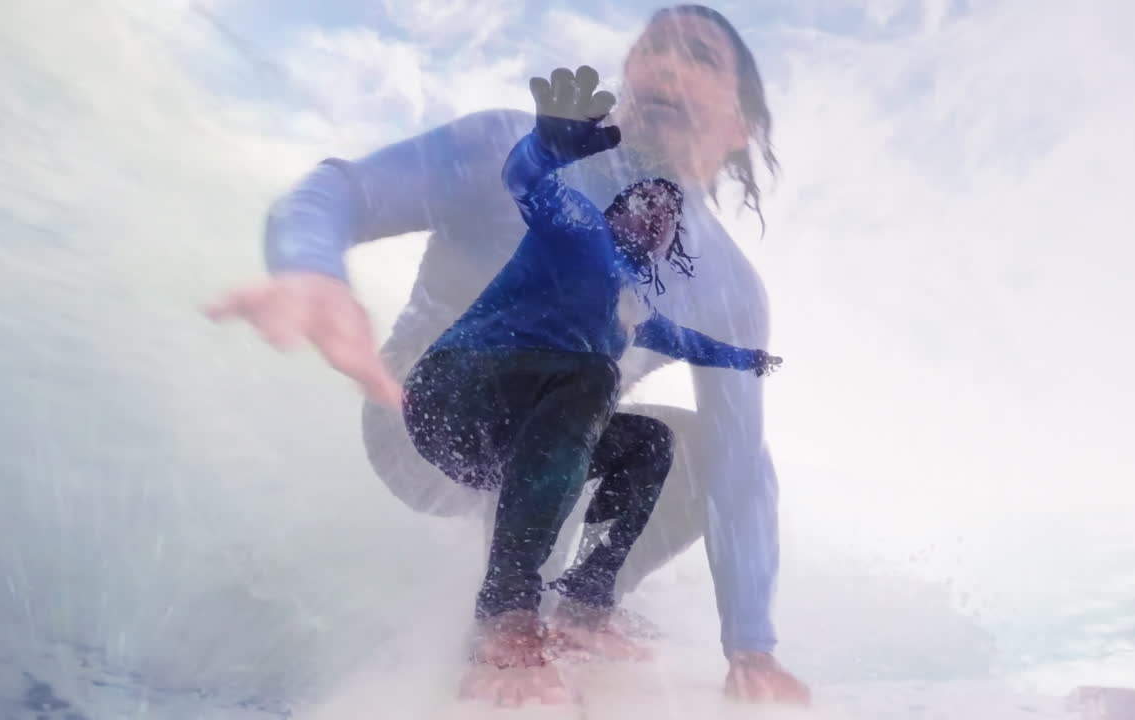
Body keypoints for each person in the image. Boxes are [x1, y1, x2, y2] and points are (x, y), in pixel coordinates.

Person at [207, 3, 810, 706]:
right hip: (420, 411)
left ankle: (585, 605)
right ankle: (506, 624)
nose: (666, 64)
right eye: (652, 48)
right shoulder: (513, 149)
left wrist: (751, 644)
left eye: (700, 56)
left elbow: (736, 476)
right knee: (580, 380)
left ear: (740, 126)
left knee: (699, 443)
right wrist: (312, 268)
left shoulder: (728, 285)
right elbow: (343, 189)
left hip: (552, 432)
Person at [403, 65, 782, 704]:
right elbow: (526, 182)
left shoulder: (629, 304)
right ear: (615, 210)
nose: (655, 219)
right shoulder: (575, 225)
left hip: (514, 434)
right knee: (591, 376)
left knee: (649, 445)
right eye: (643, 205)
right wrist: (548, 147)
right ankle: (506, 611)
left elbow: (684, 341)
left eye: (666, 216)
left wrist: (745, 358)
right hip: (452, 398)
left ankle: (583, 603)